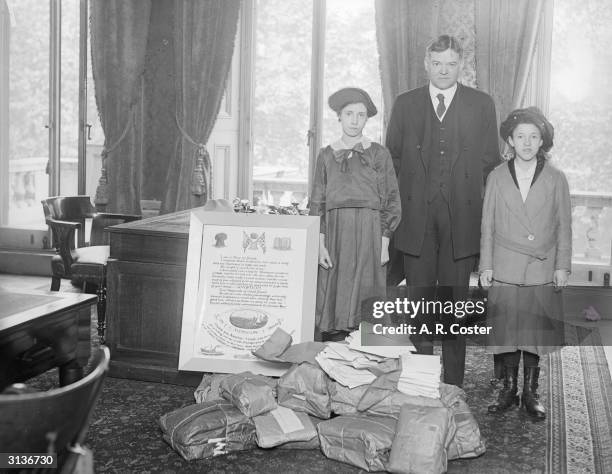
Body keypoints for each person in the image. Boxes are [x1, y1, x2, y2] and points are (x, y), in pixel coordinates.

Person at [385, 35, 500, 387]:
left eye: (451, 63)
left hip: (460, 222)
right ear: (426, 64)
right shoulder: (405, 104)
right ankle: (422, 382)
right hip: (416, 222)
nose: (444, 70)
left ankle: (452, 386)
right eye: (438, 63)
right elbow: (392, 161)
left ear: (460, 65)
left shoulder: (481, 104)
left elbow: (489, 163)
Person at [479, 107, 571, 420]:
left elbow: (564, 226)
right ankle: (508, 389)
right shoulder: (496, 176)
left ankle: (531, 392)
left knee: (532, 332)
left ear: (542, 140)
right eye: (521, 137)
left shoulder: (557, 179)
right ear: (511, 140)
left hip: (541, 266)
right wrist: (486, 265)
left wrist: (562, 265)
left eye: (534, 136)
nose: (528, 142)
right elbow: (487, 224)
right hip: (504, 264)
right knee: (506, 330)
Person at [310, 87, 401, 341]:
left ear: (366, 119)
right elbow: (317, 202)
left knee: (368, 297)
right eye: (349, 114)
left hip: (370, 233)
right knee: (334, 295)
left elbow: (392, 200)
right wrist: (320, 244)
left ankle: (369, 363)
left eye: (360, 115)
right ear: (339, 116)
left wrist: (384, 241)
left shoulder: (379, 154)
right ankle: (334, 362)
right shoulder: (326, 155)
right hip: (336, 234)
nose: (354, 120)